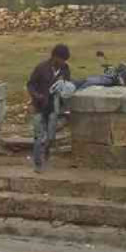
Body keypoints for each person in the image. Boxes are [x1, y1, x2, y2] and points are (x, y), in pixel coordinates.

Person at [27, 44, 72, 173]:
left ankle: (46, 153)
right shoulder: (41, 68)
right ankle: (38, 163)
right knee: (39, 136)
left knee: (50, 136)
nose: (63, 62)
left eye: (65, 60)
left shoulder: (65, 69)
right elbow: (30, 85)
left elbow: (67, 84)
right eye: (62, 59)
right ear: (55, 57)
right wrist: (37, 96)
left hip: (54, 107)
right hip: (40, 107)